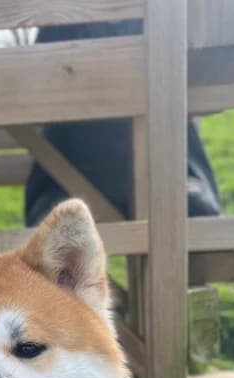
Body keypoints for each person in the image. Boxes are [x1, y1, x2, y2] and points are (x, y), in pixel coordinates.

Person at [24, 20, 222, 227]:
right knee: (197, 220)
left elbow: (36, 95)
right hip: (171, 179)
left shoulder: (62, 18)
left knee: (49, 226)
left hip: (64, 182)